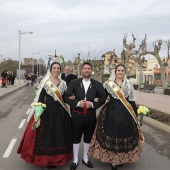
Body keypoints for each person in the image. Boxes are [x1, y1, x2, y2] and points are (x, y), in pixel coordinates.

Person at [88, 64, 144, 170]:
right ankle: (114, 161)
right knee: (112, 135)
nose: (120, 72)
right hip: (111, 112)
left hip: (126, 113)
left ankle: (121, 158)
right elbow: (103, 96)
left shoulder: (128, 84)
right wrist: (95, 100)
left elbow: (131, 100)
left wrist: (136, 113)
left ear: (124, 72)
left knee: (124, 135)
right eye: (119, 70)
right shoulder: (109, 83)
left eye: (122, 70)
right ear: (115, 71)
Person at [17, 62, 73, 168]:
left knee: (59, 134)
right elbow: (40, 98)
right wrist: (37, 114)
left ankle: (58, 158)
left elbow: (64, 98)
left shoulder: (63, 83)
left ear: (60, 70)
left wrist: (72, 99)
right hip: (47, 111)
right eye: (54, 68)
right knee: (47, 135)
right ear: (51, 69)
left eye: (58, 68)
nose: (56, 70)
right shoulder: (45, 82)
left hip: (60, 112)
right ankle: (46, 159)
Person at [65, 61, 106, 170]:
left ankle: (85, 158)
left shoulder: (97, 84)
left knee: (88, 137)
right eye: (85, 68)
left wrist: (92, 104)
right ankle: (75, 160)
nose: (86, 70)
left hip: (90, 116)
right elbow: (67, 97)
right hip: (76, 116)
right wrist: (77, 103)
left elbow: (103, 98)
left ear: (91, 71)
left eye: (88, 68)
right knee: (76, 138)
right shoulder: (73, 83)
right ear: (81, 70)